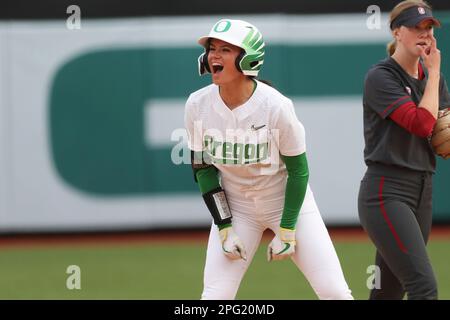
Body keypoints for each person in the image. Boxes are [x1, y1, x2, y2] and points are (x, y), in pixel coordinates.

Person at [184, 18, 353, 300]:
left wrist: (287, 230)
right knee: (214, 296)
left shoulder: (276, 106)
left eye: (226, 49)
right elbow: (203, 169)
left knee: (334, 292)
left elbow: (299, 172)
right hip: (237, 208)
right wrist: (224, 226)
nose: (214, 55)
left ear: (248, 59)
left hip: (286, 203)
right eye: (212, 48)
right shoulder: (197, 105)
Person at [358, 0, 450, 300]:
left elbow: (441, 126)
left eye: (428, 28)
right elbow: (422, 125)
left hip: (422, 190)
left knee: (388, 291)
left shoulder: (432, 80)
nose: (424, 34)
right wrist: (434, 72)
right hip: (387, 191)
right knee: (424, 287)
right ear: (397, 32)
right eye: (415, 27)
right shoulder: (381, 76)